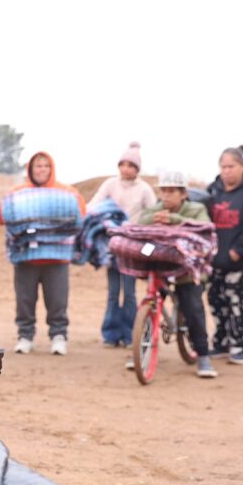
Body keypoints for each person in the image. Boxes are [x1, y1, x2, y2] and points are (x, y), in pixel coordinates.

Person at [0, 152, 85, 356]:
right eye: (38, 166)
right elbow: (2, 214)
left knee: (57, 301)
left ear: (51, 168)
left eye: (46, 166)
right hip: (25, 257)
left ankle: (58, 336)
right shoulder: (16, 194)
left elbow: (80, 214)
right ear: (30, 169)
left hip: (57, 258)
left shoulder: (68, 193)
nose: (42, 169)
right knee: (24, 300)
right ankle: (25, 336)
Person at [137, 170, 216, 378]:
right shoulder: (156, 209)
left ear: (183, 194)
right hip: (162, 266)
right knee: (149, 304)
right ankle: (141, 351)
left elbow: (203, 227)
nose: (166, 195)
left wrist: (173, 219)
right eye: (163, 191)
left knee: (193, 308)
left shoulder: (197, 209)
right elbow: (139, 222)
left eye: (171, 191)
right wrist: (153, 218)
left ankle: (203, 355)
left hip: (189, 270)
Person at [88, 142, 157, 347]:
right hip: (111, 246)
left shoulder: (144, 189)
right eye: (123, 164)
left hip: (132, 248)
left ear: (137, 169)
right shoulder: (110, 184)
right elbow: (95, 204)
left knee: (129, 293)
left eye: (131, 165)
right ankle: (110, 334)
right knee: (112, 292)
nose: (126, 169)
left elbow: (152, 213)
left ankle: (129, 334)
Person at [205, 146, 243, 365]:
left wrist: (238, 250)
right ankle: (222, 341)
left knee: (237, 301)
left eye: (231, 166)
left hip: (240, 259)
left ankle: (241, 345)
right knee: (216, 299)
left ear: (242, 167)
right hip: (214, 258)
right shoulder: (213, 191)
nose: (227, 171)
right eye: (223, 167)